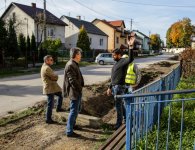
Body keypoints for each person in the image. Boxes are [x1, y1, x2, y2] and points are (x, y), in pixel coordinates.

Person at [63, 47, 84, 137]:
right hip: (74, 92)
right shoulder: (70, 65)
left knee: (76, 110)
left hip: (76, 91)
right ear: (75, 55)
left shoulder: (74, 63)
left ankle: (73, 125)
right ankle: (69, 131)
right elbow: (73, 81)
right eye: (79, 54)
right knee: (73, 111)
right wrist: (79, 88)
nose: (81, 55)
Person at [41, 55, 63, 124]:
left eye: (52, 59)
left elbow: (53, 76)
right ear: (46, 61)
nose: (52, 61)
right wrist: (56, 76)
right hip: (50, 88)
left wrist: (54, 77)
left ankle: (58, 108)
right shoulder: (46, 68)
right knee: (50, 104)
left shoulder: (45, 66)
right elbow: (54, 77)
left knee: (60, 95)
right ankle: (48, 119)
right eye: (51, 60)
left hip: (52, 87)